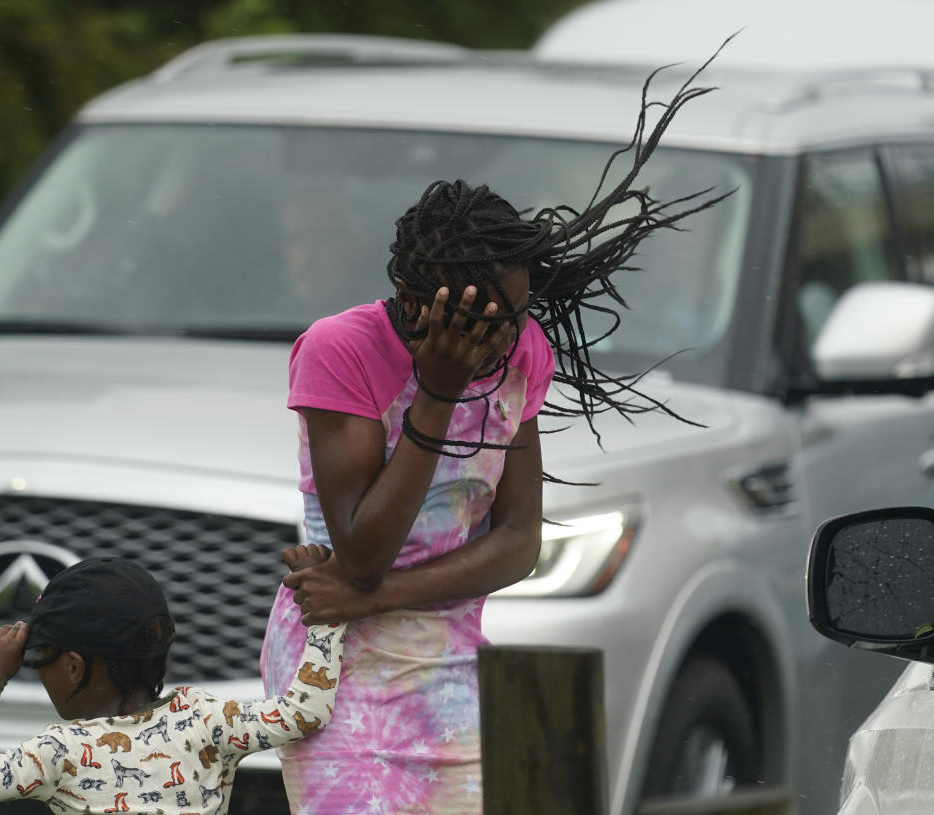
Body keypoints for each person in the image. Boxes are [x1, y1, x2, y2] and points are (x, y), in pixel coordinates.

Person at [259, 55, 733, 815]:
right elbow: (363, 551)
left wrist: (373, 598)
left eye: (520, 312)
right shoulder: (340, 351)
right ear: (421, 302)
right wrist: (439, 394)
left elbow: (517, 541)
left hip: (445, 667)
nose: (514, 335)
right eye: (494, 315)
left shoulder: (523, 354)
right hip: (335, 674)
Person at [0, 548, 345, 815]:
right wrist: (326, 612)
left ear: (74, 667)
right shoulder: (204, 719)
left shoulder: (59, 752)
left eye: (38, 660)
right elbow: (305, 711)